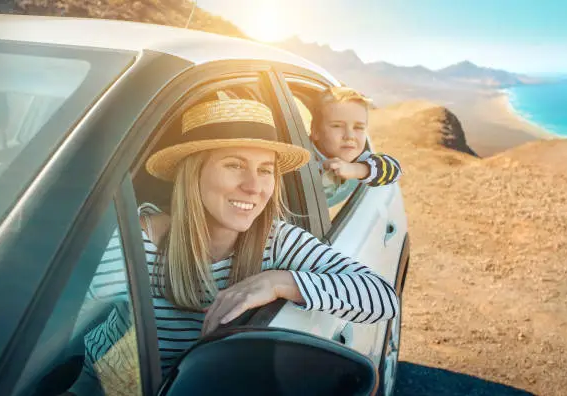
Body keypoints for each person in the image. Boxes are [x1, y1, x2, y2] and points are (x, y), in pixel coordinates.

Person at [69, 98, 398, 395]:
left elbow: (382, 298)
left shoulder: (276, 240)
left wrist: (277, 281)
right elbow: (55, 341)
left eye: (265, 170)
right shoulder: (132, 247)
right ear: (193, 173)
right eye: (234, 165)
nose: (254, 187)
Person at [309, 86, 403, 205]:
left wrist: (356, 169)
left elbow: (394, 169)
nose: (349, 136)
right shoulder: (302, 158)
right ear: (315, 131)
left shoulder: (359, 160)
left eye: (358, 127)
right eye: (337, 126)